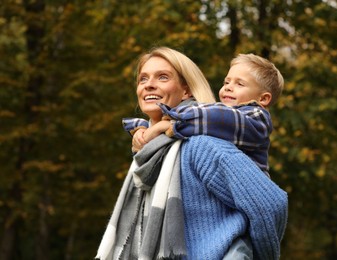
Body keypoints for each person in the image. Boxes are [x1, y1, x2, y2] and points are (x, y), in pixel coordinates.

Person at [95, 47, 288, 260]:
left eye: (162, 77)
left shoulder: (200, 147)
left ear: (187, 91)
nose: (149, 84)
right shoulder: (150, 155)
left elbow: (271, 204)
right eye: (143, 79)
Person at [124, 53, 284, 176]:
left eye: (239, 84)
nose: (228, 87)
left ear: (263, 98)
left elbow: (214, 117)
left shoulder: (256, 117)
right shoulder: (219, 114)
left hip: (248, 194)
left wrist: (168, 124)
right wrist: (141, 129)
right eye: (226, 82)